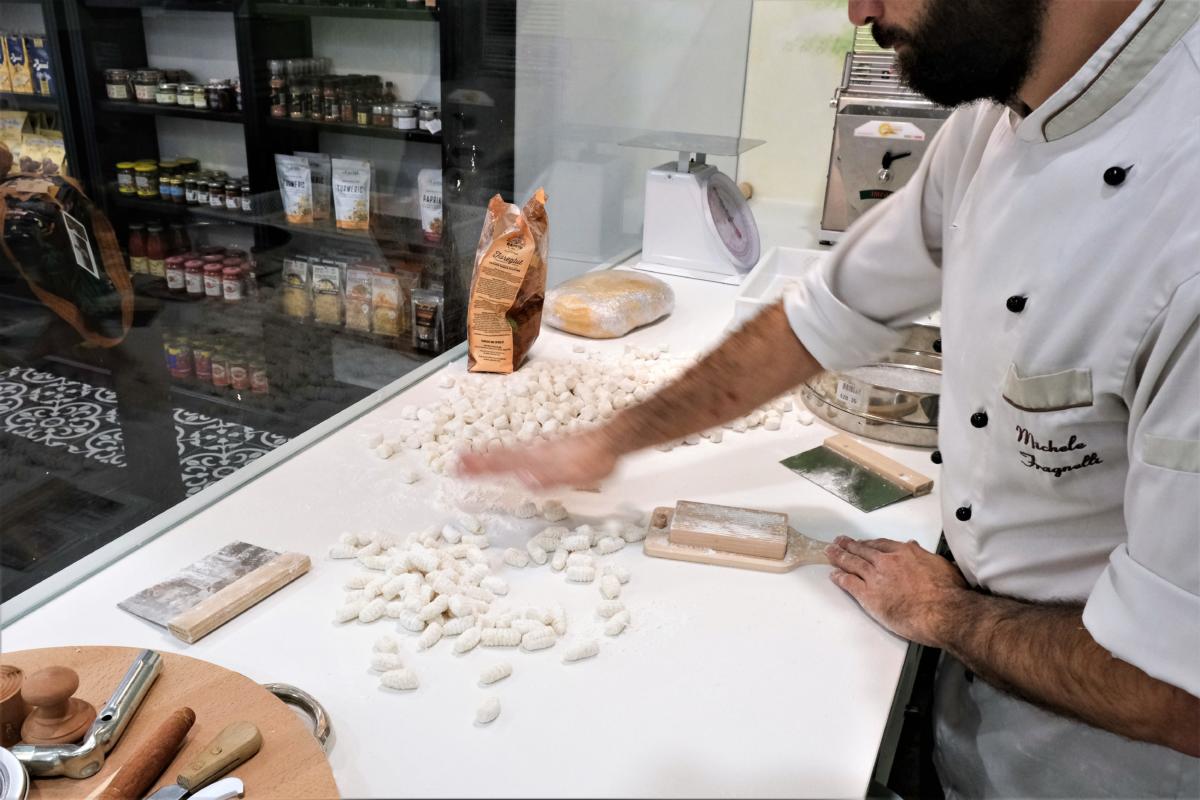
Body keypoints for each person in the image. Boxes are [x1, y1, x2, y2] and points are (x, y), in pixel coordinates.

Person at [461, 0, 1200, 795]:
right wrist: (612, 439)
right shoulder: (993, 128)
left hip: (1106, 761)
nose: (859, 11)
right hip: (981, 691)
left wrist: (945, 616)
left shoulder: (1181, 211)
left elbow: (1175, 694)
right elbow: (819, 320)